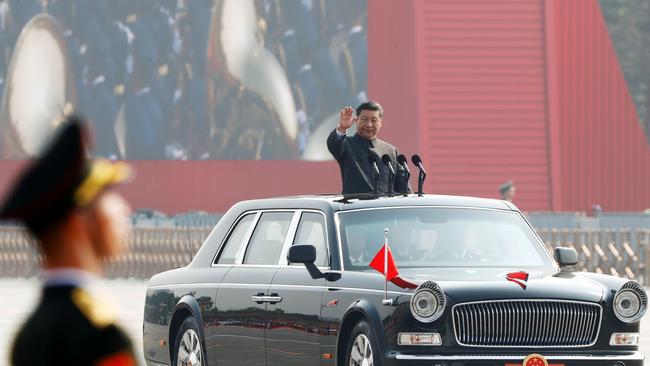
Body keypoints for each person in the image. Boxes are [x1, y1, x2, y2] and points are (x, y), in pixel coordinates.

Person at [0, 117, 136, 366]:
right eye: (106, 197)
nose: (123, 210)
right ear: (78, 220)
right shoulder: (100, 336)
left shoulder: (29, 336)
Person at [327, 101, 409, 194]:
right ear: (356, 120)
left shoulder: (391, 151)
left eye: (374, 120)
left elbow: (403, 187)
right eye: (365, 119)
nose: (369, 125)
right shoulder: (347, 144)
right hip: (356, 206)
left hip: (386, 206)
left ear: (380, 123)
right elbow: (334, 144)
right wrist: (342, 128)